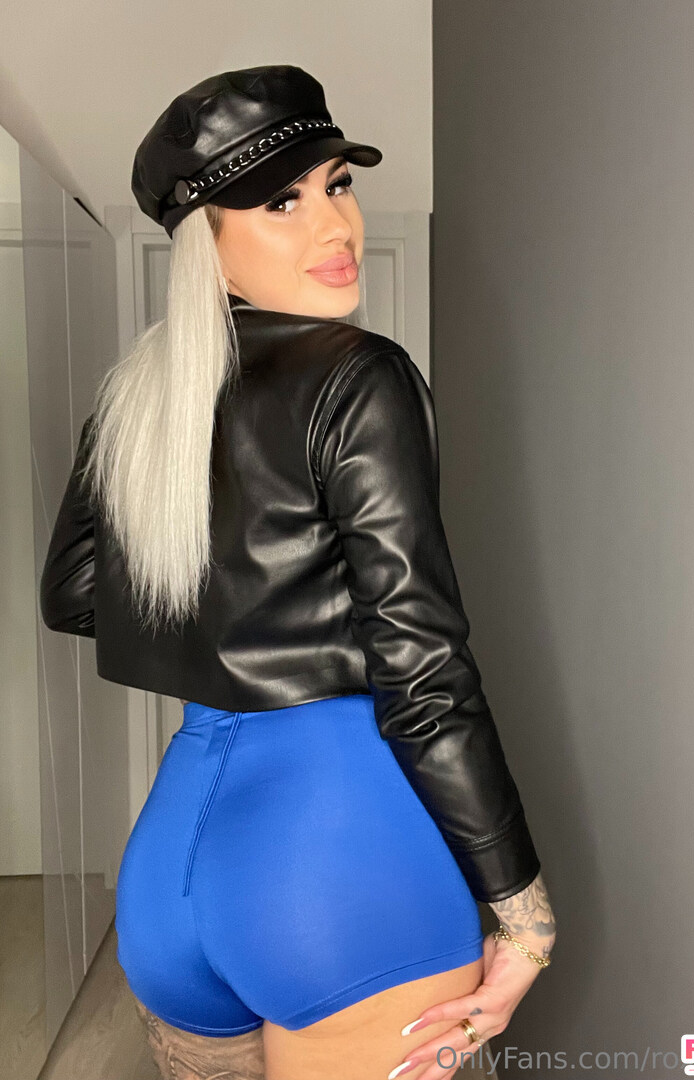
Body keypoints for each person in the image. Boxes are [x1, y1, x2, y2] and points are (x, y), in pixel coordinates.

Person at [39, 65, 556, 1080]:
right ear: (206, 238)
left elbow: (74, 594)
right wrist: (524, 915)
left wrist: (238, 620)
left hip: (171, 873)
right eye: (281, 202)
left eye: (337, 184)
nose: (335, 225)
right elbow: (422, 671)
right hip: (339, 868)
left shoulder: (137, 393)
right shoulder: (359, 374)